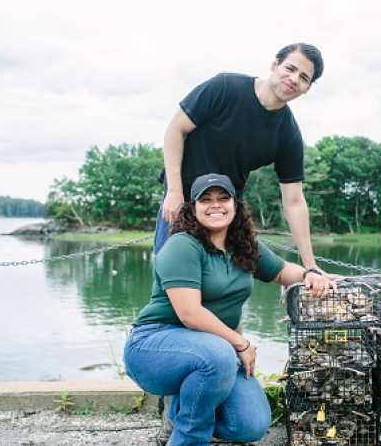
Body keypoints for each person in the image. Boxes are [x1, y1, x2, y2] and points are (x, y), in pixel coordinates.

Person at [125, 173, 331, 446]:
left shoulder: (242, 245)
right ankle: (189, 437)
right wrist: (240, 343)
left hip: (212, 351)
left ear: (235, 204)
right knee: (221, 354)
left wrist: (310, 275)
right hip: (154, 345)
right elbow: (190, 314)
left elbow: (282, 271)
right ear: (193, 208)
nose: (216, 205)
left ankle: (182, 408)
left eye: (224, 198)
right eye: (206, 200)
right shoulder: (182, 245)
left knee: (250, 425)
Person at [153, 43, 326, 273]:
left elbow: (294, 201)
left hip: (226, 213)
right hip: (183, 202)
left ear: (307, 88)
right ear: (275, 65)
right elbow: (176, 129)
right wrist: (174, 192)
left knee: (226, 287)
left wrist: (310, 265)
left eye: (304, 77)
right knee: (171, 283)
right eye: (290, 68)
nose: (294, 79)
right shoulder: (224, 87)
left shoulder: (288, 134)